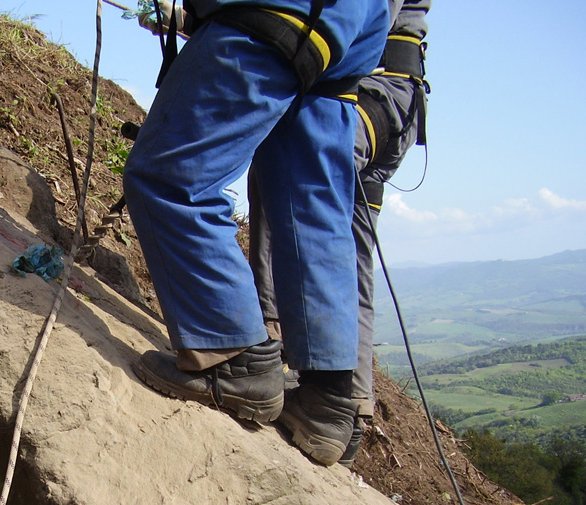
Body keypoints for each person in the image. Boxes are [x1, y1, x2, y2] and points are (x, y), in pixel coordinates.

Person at [123, 0, 395, 465]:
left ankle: (233, 358)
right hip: (355, 18)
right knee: (305, 196)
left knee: (171, 176)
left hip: (284, 4)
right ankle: (327, 400)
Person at [247, 0, 430, 466]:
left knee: (291, 166)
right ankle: (351, 410)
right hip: (395, 108)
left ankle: (267, 344)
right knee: (352, 252)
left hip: (365, 94)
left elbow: (328, 27)